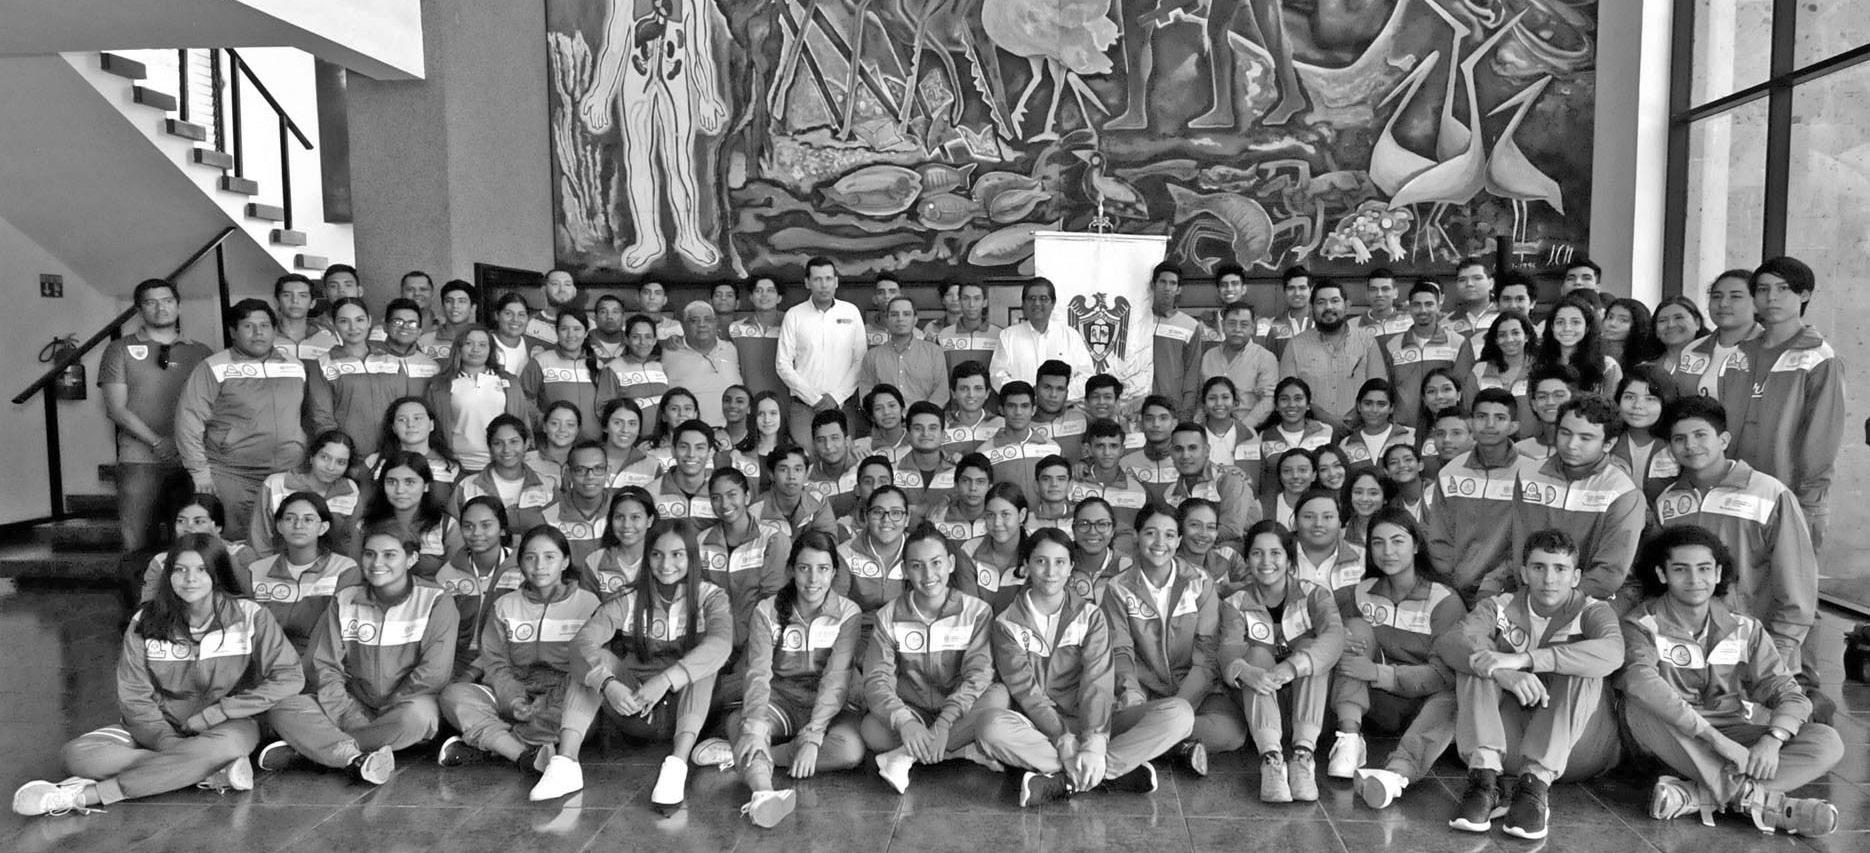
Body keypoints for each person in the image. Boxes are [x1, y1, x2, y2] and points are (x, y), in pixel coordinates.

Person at [12, 535, 303, 817]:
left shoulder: (250, 616)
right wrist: (166, 741)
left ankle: (84, 795)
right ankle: (208, 770)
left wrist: (219, 712)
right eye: (180, 570)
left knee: (225, 747)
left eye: (201, 570)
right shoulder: (145, 621)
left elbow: (289, 676)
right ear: (168, 575)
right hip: (156, 728)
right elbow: (134, 695)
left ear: (218, 574)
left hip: (229, 726)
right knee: (77, 755)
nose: (190, 579)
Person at [1619, 526, 1842, 837]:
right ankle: (1761, 802)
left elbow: (1789, 692)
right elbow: (1640, 681)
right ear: (1661, 574)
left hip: (1732, 736)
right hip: (1672, 739)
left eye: (1704, 569)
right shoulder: (1642, 624)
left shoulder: (1745, 628)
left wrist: (1773, 739)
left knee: (1826, 740)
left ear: (1718, 573)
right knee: (1640, 707)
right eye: (1681, 569)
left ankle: (1699, 795)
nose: (1695, 579)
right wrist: (1714, 740)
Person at [978, 527, 1194, 806]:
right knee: (988, 728)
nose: (1050, 571)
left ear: (1071, 568)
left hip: (1097, 720)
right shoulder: (1006, 623)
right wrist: (1063, 739)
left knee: (1180, 714)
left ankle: (1068, 779)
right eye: (1041, 561)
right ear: (1026, 566)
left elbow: (1097, 681)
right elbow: (1027, 693)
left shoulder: (1090, 615)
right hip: (1039, 728)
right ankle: (1108, 773)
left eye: (1059, 562)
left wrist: (1093, 742)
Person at [533, 520, 733, 811]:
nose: (666, 564)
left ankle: (676, 766)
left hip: (687, 713)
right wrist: (607, 684)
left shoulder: (711, 596)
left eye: (677, 554)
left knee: (705, 662)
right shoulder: (628, 599)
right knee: (593, 661)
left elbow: (721, 643)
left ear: (692, 557)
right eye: (656, 554)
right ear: (646, 556)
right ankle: (566, 764)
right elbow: (581, 643)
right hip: (635, 706)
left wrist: (665, 680)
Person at [1438, 530, 1624, 839]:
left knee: (1585, 666)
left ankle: (1535, 788)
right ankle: (1484, 782)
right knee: (1478, 661)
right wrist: (1503, 672)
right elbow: (1451, 642)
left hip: (1575, 750)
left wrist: (1526, 660)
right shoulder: (1500, 604)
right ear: (1524, 573)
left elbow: (1613, 652)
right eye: (1539, 567)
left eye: (1560, 569)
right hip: (1508, 747)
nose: (1549, 579)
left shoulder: (1592, 610)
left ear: (1576, 577)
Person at [1654, 397, 1821, 705]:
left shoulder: (1769, 494)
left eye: (1700, 435)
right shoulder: (1667, 502)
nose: (1690, 445)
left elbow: (1797, 588)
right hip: (1694, 660)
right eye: (1679, 439)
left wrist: (1777, 653)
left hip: (1759, 654)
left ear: (1724, 440)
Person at [258, 526, 457, 785]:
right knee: (284, 707)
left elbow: (433, 672)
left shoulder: (436, 599)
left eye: (389, 555)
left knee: (417, 718)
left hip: (406, 706)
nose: (377, 563)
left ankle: (316, 751)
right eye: (369, 554)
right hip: (352, 704)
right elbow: (324, 665)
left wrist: (389, 708)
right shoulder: (344, 599)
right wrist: (347, 714)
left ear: (411, 559)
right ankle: (356, 757)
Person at [699, 530, 865, 827]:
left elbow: (836, 679)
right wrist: (754, 727)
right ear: (790, 570)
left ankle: (747, 757)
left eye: (823, 569)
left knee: (849, 751)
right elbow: (758, 674)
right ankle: (763, 794)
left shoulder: (848, 612)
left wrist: (813, 736)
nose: (813, 579)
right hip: (781, 701)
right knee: (747, 728)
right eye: (804, 568)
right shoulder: (768, 610)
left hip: (831, 707)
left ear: (834, 573)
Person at [1329, 509, 1467, 810]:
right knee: (1353, 630)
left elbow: (1444, 675)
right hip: (1373, 704)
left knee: (1454, 696)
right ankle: (1349, 739)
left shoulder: (1444, 601)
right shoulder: (1359, 592)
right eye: (1377, 543)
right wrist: (1337, 640)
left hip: (1424, 706)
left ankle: (1395, 776)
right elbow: (1312, 618)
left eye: (1397, 541)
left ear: (1416, 545)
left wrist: (1379, 673)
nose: (1387, 551)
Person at [438, 523, 600, 778]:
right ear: (521, 564)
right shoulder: (505, 605)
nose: (539, 565)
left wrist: (546, 702)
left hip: (562, 699)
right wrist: (514, 701)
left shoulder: (588, 604)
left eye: (549, 557)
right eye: (530, 558)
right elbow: (495, 664)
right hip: (513, 695)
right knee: (454, 695)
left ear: (566, 562)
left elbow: (587, 664)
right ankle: (524, 753)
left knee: (580, 714)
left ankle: (501, 746)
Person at [863, 523, 1010, 793]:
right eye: (917, 566)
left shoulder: (976, 611)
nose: (928, 574)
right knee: (871, 730)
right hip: (914, 710)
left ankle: (905, 756)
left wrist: (944, 722)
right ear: (905, 570)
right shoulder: (888, 615)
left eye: (936, 563)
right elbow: (877, 679)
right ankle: (962, 750)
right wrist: (904, 721)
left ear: (951, 564)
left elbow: (979, 675)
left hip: (960, 713)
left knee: (998, 697)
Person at [1721, 257, 1846, 552]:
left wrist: (1809, 502)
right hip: (1734, 488)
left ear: (1804, 295)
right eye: (1763, 289)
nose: (1771, 297)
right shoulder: (1738, 354)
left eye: (1783, 288)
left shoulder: (1818, 357)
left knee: (1788, 576)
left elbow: (1823, 439)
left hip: (1790, 494)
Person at [1217, 520, 1346, 802]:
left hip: (1311, 712)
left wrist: (1292, 667)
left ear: (1289, 560)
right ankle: (1271, 760)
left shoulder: (1314, 594)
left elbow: (1335, 637)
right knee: (1255, 655)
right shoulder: (1235, 602)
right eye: (1257, 553)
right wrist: (1244, 671)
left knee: (1312, 650)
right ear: (1247, 559)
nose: (1266, 562)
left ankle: (1303, 758)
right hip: (1258, 715)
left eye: (1275, 553)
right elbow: (1229, 649)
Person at [101, 278, 215, 589]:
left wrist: (181, 444)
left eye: (167, 300)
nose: (160, 307)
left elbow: (213, 406)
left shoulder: (201, 352)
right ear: (139, 309)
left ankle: (185, 607)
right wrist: (156, 441)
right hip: (140, 460)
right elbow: (116, 408)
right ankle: (139, 611)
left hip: (190, 460)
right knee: (137, 545)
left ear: (178, 305)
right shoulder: (119, 349)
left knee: (193, 544)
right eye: (151, 302)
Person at [1102, 505, 1227, 777]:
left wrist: (1180, 705)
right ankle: (1171, 746)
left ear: (1179, 540)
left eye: (1169, 535)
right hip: (1144, 691)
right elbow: (1120, 650)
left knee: (1231, 732)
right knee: (1112, 718)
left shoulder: (1200, 582)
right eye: (1150, 533)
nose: (1160, 543)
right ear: (1136, 536)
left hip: (1190, 688)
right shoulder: (1118, 588)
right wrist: (1131, 692)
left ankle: (1160, 741)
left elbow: (1207, 655)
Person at [1479, 397, 1643, 602]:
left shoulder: (1623, 490)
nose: (1571, 445)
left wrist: (1552, 603)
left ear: (1608, 444)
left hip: (1596, 596)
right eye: (1565, 433)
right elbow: (1518, 548)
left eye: (1586, 438)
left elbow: (1608, 574)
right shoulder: (1529, 474)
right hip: (1533, 590)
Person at [174, 299, 309, 540]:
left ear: (274, 330)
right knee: (236, 541)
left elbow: (306, 416)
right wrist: (199, 472)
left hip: (288, 471)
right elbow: (189, 421)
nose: (258, 333)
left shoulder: (295, 365)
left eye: (264, 326)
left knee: (287, 538)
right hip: (233, 474)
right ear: (233, 332)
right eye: (248, 326)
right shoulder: (213, 367)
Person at [311, 299, 443, 461]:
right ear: (333, 324)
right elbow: (322, 418)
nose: (353, 327)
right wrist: (338, 455)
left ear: (369, 321)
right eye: (344, 321)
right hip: (351, 456)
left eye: (359, 320)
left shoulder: (390, 358)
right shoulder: (324, 364)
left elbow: (404, 410)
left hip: (394, 455)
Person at [1426, 389, 1526, 597]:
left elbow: (1527, 540)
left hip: (1508, 590)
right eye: (1481, 417)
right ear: (1471, 423)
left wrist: (1497, 582)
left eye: (1500, 418)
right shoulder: (1450, 473)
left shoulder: (1529, 474)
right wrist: (1449, 583)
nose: (1489, 424)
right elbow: (1439, 538)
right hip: (1455, 586)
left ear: (1514, 426)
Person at [777, 257, 868, 448]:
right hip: (804, 406)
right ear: (807, 283)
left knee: (842, 457)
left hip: (843, 405)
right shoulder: (794, 315)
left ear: (836, 281)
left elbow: (861, 360)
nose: (824, 285)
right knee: (806, 458)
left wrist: (836, 397)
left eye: (828, 278)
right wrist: (815, 400)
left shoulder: (851, 312)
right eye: (817, 279)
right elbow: (783, 364)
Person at [433, 496, 524, 677]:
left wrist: (473, 672)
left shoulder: (521, 571)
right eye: (468, 526)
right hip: (457, 659)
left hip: (507, 659)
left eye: (486, 525)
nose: (476, 533)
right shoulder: (447, 574)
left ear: (502, 529)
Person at [700, 466, 791, 645]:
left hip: (762, 643)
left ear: (747, 497)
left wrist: (752, 650)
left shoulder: (773, 540)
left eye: (732, 495)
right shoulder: (700, 542)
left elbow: (772, 603)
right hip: (714, 643)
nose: (724, 504)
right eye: (716, 498)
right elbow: (699, 601)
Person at [1279, 278, 1384, 431]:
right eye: (1321, 302)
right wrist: (1325, 418)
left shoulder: (1367, 342)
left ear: (1347, 306)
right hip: (1311, 432)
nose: (1328, 307)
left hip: (1361, 431)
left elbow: (1379, 388)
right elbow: (1287, 392)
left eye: (1335, 301)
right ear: (1311, 308)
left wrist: (1354, 416)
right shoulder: (1295, 345)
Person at [426, 326, 533, 474]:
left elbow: (522, 423)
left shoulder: (509, 382)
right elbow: (431, 427)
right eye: (468, 343)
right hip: (455, 465)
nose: (475, 349)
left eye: (482, 345)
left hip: (502, 462)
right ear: (459, 347)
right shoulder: (440, 385)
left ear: (491, 350)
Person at [248, 430, 362, 559]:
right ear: (312, 457)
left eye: (340, 462)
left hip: (329, 567)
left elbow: (352, 541)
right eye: (324, 457)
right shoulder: (276, 484)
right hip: (279, 566)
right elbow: (260, 539)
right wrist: (265, 569)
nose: (331, 467)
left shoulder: (350, 490)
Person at [357, 451, 464, 579]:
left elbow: (456, 578)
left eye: (409, 482)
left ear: (426, 486)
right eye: (391, 482)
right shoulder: (365, 525)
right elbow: (357, 574)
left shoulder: (446, 526)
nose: (400, 490)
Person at [139, 494, 259, 603]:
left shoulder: (241, 554)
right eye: (181, 521)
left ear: (217, 527)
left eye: (198, 521)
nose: (188, 528)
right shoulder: (161, 561)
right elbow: (147, 607)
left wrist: (220, 551)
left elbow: (256, 597)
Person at [990, 277, 1095, 402]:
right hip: (1022, 410)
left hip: (1064, 408)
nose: (1037, 303)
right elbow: (997, 376)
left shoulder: (1070, 336)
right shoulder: (1008, 336)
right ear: (1023, 303)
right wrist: (1026, 395)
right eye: (1032, 298)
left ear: (1053, 303)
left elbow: (1086, 376)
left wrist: (1058, 395)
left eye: (1043, 298)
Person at [1388, 280, 1474, 428]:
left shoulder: (1457, 342)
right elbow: (1388, 388)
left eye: (1429, 304)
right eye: (1417, 305)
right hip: (1405, 428)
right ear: (1409, 308)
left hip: (1445, 427)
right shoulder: (1393, 345)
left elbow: (1464, 389)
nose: (1423, 310)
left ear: (1439, 306)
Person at [520, 310, 610, 442]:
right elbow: (523, 400)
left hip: (592, 446)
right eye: (564, 329)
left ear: (586, 333)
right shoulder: (541, 362)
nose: (570, 335)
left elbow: (607, 405)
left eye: (577, 329)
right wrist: (544, 422)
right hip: (553, 443)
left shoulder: (599, 365)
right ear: (556, 332)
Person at [1163, 421, 1257, 546]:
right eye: (1178, 449)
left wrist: (1185, 538)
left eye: (1192, 448)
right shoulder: (1170, 491)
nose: (1185, 455)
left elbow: (1232, 531)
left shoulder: (1230, 480)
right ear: (1171, 453)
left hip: (1234, 553)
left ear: (1207, 450)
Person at [365, 396, 465, 509]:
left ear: (431, 425)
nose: (410, 424)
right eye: (402, 420)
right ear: (393, 428)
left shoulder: (450, 466)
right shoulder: (374, 462)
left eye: (417, 418)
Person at [1609, 365, 1682, 511]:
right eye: (1629, 397)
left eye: (1650, 399)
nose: (1638, 405)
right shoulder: (1607, 442)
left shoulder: (1679, 444)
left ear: (1666, 402)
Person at [859, 295, 949, 412]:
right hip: (886, 420)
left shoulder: (934, 352)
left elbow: (941, 393)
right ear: (886, 320)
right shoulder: (872, 356)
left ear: (915, 319)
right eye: (894, 314)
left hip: (925, 419)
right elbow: (866, 394)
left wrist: (922, 416)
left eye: (906, 314)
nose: (900, 319)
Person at [1678, 270, 1759, 400]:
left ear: (1757, 303)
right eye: (1716, 296)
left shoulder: (1770, 348)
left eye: (1735, 297)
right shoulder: (1692, 349)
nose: (1723, 303)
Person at [663, 302, 744, 427]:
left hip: (729, 430)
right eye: (694, 320)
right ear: (684, 326)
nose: (702, 324)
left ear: (716, 323)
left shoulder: (731, 349)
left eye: (707, 319)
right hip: (688, 432)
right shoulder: (669, 352)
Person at [953, 483, 1030, 614]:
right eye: (990, 515)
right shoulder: (969, 550)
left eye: (1005, 514)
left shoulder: (1035, 554)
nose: (997, 523)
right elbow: (970, 611)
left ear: (1022, 515)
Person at [981, 381, 1063, 502]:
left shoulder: (1053, 448)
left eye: (1024, 406)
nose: (1018, 412)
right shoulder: (984, 452)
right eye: (1011, 406)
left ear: (1033, 410)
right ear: (1001, 410)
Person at [1200, 301, 1278, 428]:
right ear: (1223, 325)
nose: (1237, 329)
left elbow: (1269, 399)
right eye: (1232, 323)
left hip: (1250, 429)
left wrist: (1242, 429)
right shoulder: (1209, 356)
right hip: (1211, 429)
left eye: (1244, 324)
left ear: (1253, 328)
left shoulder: (1265, 358)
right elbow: (1201, 397)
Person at [1250, 378, 1332, 495]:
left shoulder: (1326, 432)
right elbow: (1261, 481)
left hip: (1320, 502)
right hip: (1277, 503)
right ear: (1276, 406)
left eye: (1298, 398)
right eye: (1284, 399)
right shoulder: (1264, 436)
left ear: (1308, 404)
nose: (1292, 405)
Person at [1144, 263, 1204, 417]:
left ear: (1179, 289)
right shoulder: (1137, 321)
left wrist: (1187, 408)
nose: (1167, 288)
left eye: (1173, 283)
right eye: (1162, 282)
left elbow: (1192, 371)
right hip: (1137, 403)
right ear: (1153, 285)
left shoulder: (1190, 325)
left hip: (1172, 406)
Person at [1536, 293, 1621, 396]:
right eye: (1560, 322)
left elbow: (1610, 405)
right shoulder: (1539, 363)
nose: (1567, 328)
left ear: (1587, 328)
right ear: (1552, 327)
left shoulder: (1607, 367)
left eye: (1575, 322)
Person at [1465, 313, 1538, 431]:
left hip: (1533, 441)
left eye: (1515, 333)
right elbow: (1468, 412)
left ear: (1526, 336)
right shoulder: (1480, 370)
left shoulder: (1540, 369)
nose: (1509, 339)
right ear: (1496, 340)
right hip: (1489, 439)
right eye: (1502, 335)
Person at [753, 446, 839, 540]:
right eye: (783, 470)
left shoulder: (817, 499)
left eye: (797, 469)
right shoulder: (756, 509)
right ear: (771, 475)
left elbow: (829, 540)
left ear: (806, 474)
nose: (791, 476)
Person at [608, 314, 670, 433]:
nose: (642, 342)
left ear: (655, 340)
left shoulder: (661, 366)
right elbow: (605, 408)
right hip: (631, 437)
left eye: (648, 337)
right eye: (636, 337)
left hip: (664, 436)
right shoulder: (613, 368)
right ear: (626, 339)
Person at [727, 275, 786, 400]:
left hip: (786, 398)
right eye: (758, 291)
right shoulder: (736, 328)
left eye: (770, 291)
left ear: (779, 298)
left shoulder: (790, 325)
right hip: (748, 400)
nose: (764, 295)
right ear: (751, 297)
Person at [1293, 488, 1363, 592]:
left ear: (1340, 522)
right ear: (1295, 522)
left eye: (1328, 517)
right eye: (1309, 517)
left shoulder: (1362, 558)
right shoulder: (1279, 557)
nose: (1318, 524)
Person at [1340, 379, 1415, 472]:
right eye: (1368, 404)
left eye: (1381, 404)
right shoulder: (1346, 444)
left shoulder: (1411, 436)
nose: (1374, 410)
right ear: (1358, 406)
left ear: (1391, 408)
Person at [725, 391, 789, 497]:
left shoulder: (795, 452)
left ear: (781, 415)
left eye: (773, 413)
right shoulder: (741, 454)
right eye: (761, 414)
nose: (767, 420)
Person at [897, 402, 957, 514]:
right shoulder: (893, 470)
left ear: (943, 435)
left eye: (932, 428)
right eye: (918, 428)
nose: (925, 434)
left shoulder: (958, 472)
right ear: (908, 435)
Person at [1069, 497, 1132, 602]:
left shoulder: (1128, 568)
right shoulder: (1062, 565)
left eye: (1102, 524)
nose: (1092, 532)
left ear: (1113, 530)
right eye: (1084, 524)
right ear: (1074, 530)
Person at [1646, 295, 1712, 395]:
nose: (1671, 325)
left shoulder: (1714, 360)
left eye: (1678, 318)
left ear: (1697, 323)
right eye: (1662, 320)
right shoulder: (1647, 366)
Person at [934, 281, 1002, 374]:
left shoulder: (999, 335)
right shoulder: (944, 335)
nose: (971, 304)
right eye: (966, 298)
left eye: (977, 299)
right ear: (959, 301)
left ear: (985, 302)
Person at [924, 452, 993, 543]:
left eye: (980, 482)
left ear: (990, 487)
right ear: (956, 485)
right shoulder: (938, 518)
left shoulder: (997, 517)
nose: (973, 488)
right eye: (966, 481)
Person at [940, 361, 1003, 457]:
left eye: (978, 388)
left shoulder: (1001, 424)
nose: (971, 395)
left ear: (987, 393)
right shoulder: (941, 425)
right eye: (964, 388)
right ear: (953, 393)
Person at [272, 274, 340, 361]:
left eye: (303, 295)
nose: (295, 300)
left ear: (312, 303)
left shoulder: (329, 337)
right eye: (287, 295)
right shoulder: (264, 334)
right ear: (277, 301)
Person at [596, 398, 660, 490]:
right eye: (617, 423)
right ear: (605, 426)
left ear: (639, 429)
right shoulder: (585, 459)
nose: (625, 430)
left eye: (632, 424)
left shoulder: (652, 466)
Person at [1518, 364, 1579, 455]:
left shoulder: (1590, 449)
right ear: (1533, 404)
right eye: (1542, 396)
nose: (1550, 402)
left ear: (1573, 400)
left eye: (1559, 395)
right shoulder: (1520, 451)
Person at [1258, 266, 1313, 357]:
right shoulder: (1277, 325)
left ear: (1311, 290)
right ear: (1284, 291)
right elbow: (1272, 360)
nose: (1297, 293)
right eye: (1291, 288)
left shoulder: (1321, 321)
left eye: (1302, 288)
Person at [418, 280, 478, 361]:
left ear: (473, 308)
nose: (455, 306)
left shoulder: (483, 340)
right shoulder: (424, 341)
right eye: (449, 301)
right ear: (442, 307)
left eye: (462, 301)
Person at [1443, 257, 1499, 339]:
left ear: (1491, 283)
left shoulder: (1503, 317)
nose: (1469, 284)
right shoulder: (1445, 324)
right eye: (1462, 280)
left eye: (1477, 278)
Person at [1603, 297, 1659, 378]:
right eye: (1610, 317)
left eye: (1623, 320)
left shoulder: (1643, 363)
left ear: (1638, 325)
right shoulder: (1593, 351)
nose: (1612, 324)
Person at [853, 385, 910, 462]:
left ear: (902, 409)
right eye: (878, 408)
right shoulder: (861, 446)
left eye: (892, 406)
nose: (886, 412)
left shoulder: (918, 440)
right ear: (872, 417)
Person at [1356, 268, 1412, 345]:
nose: (1379, 294)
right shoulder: (1354, 326)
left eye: (1385, 289)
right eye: (1373, 289)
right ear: (1367, 294)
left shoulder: (1409, 322)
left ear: (1395, 293)